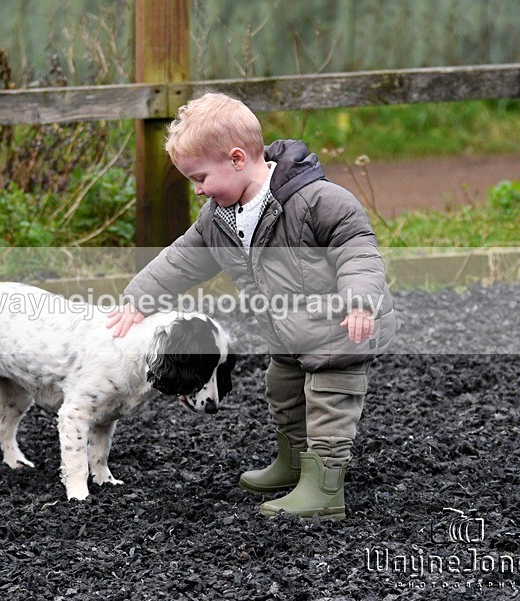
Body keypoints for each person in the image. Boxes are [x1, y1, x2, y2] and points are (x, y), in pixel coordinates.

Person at [107, 92, 396, 520]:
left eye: (200, 177)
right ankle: (294, 463)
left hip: (341, 327)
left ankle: (324, 489)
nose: (198, 188)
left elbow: (357, 249)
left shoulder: (317, 200)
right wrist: (140, 296)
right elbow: (182, 258)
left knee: (328, 405)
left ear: (238, 159)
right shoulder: (219, 216)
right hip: (289, 333)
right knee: (282, 389)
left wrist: (359, 302)